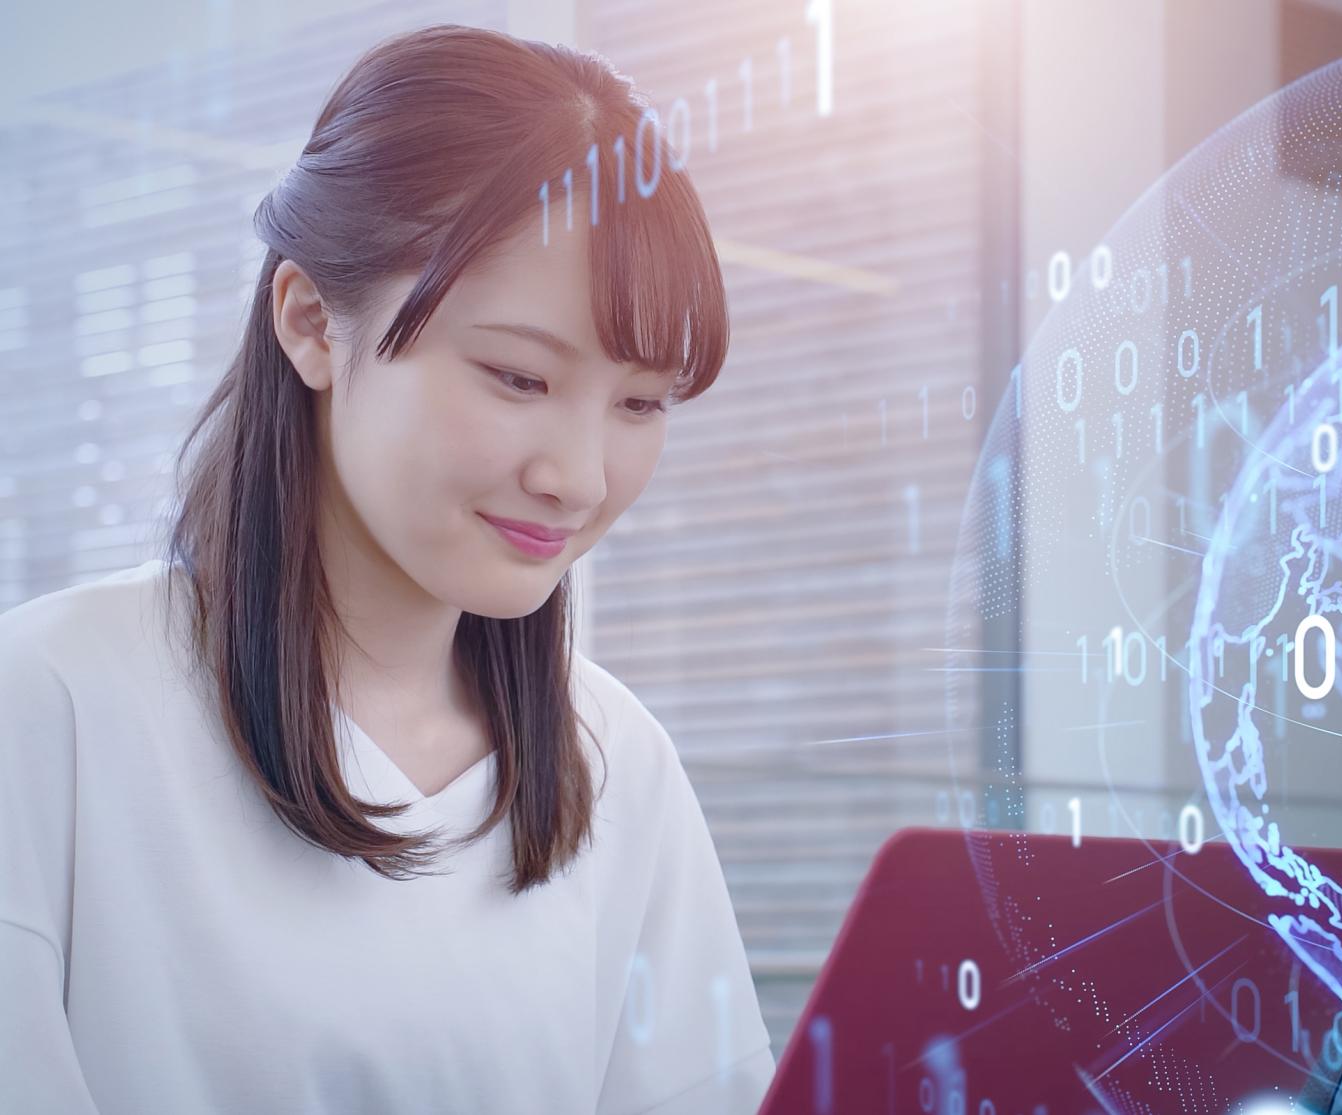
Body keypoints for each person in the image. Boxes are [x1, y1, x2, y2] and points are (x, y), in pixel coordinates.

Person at [0, 23, 771, 1114]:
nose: (581, 476)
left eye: (641, 402)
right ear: (313, 322)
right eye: (515, 376)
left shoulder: (616, 763)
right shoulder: (49, 702)